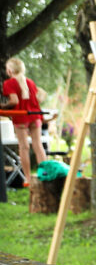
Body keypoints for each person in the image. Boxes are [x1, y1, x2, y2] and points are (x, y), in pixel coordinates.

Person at [2, 57, 47, 187]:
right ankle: (45, 175)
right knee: (38, 146)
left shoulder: (9, 83)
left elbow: (14, 101)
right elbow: (38, 98)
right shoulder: (30, 82)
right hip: (35, 116)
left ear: (10, 71)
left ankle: (27, 179)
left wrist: (3, 106)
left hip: (21, 117)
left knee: (24, 147)